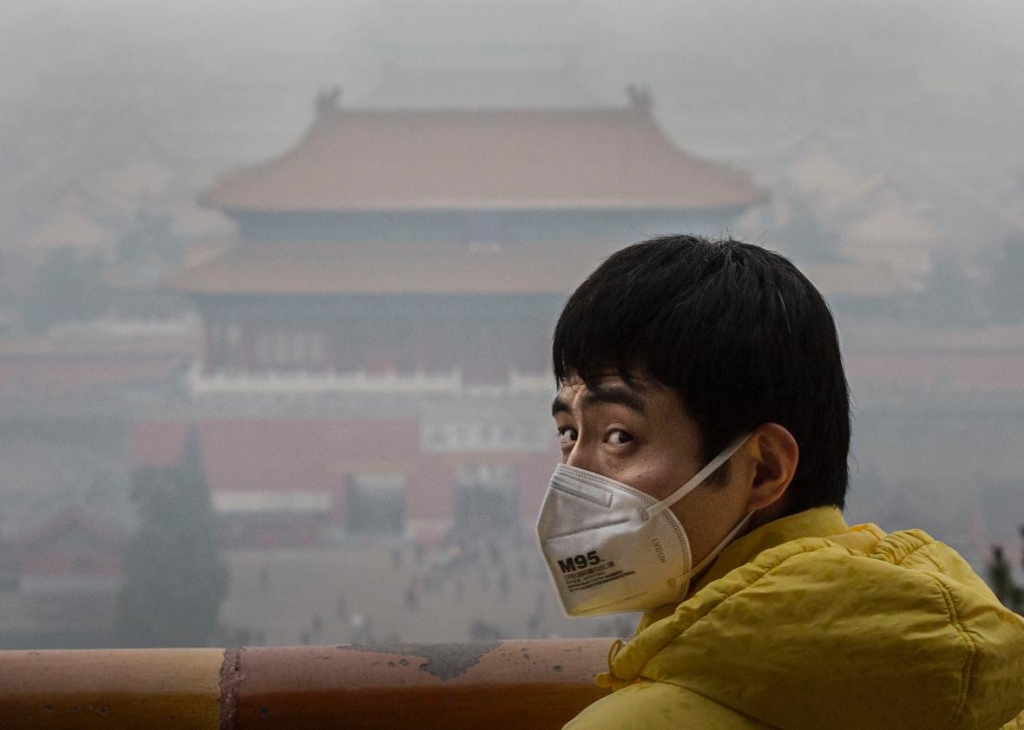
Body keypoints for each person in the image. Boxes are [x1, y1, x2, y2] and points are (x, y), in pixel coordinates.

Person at [535, 235, 1024, 729]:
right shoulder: (991, 683)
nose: (574, 473)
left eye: (619, 436)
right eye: (568, 433)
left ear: (764, 469)